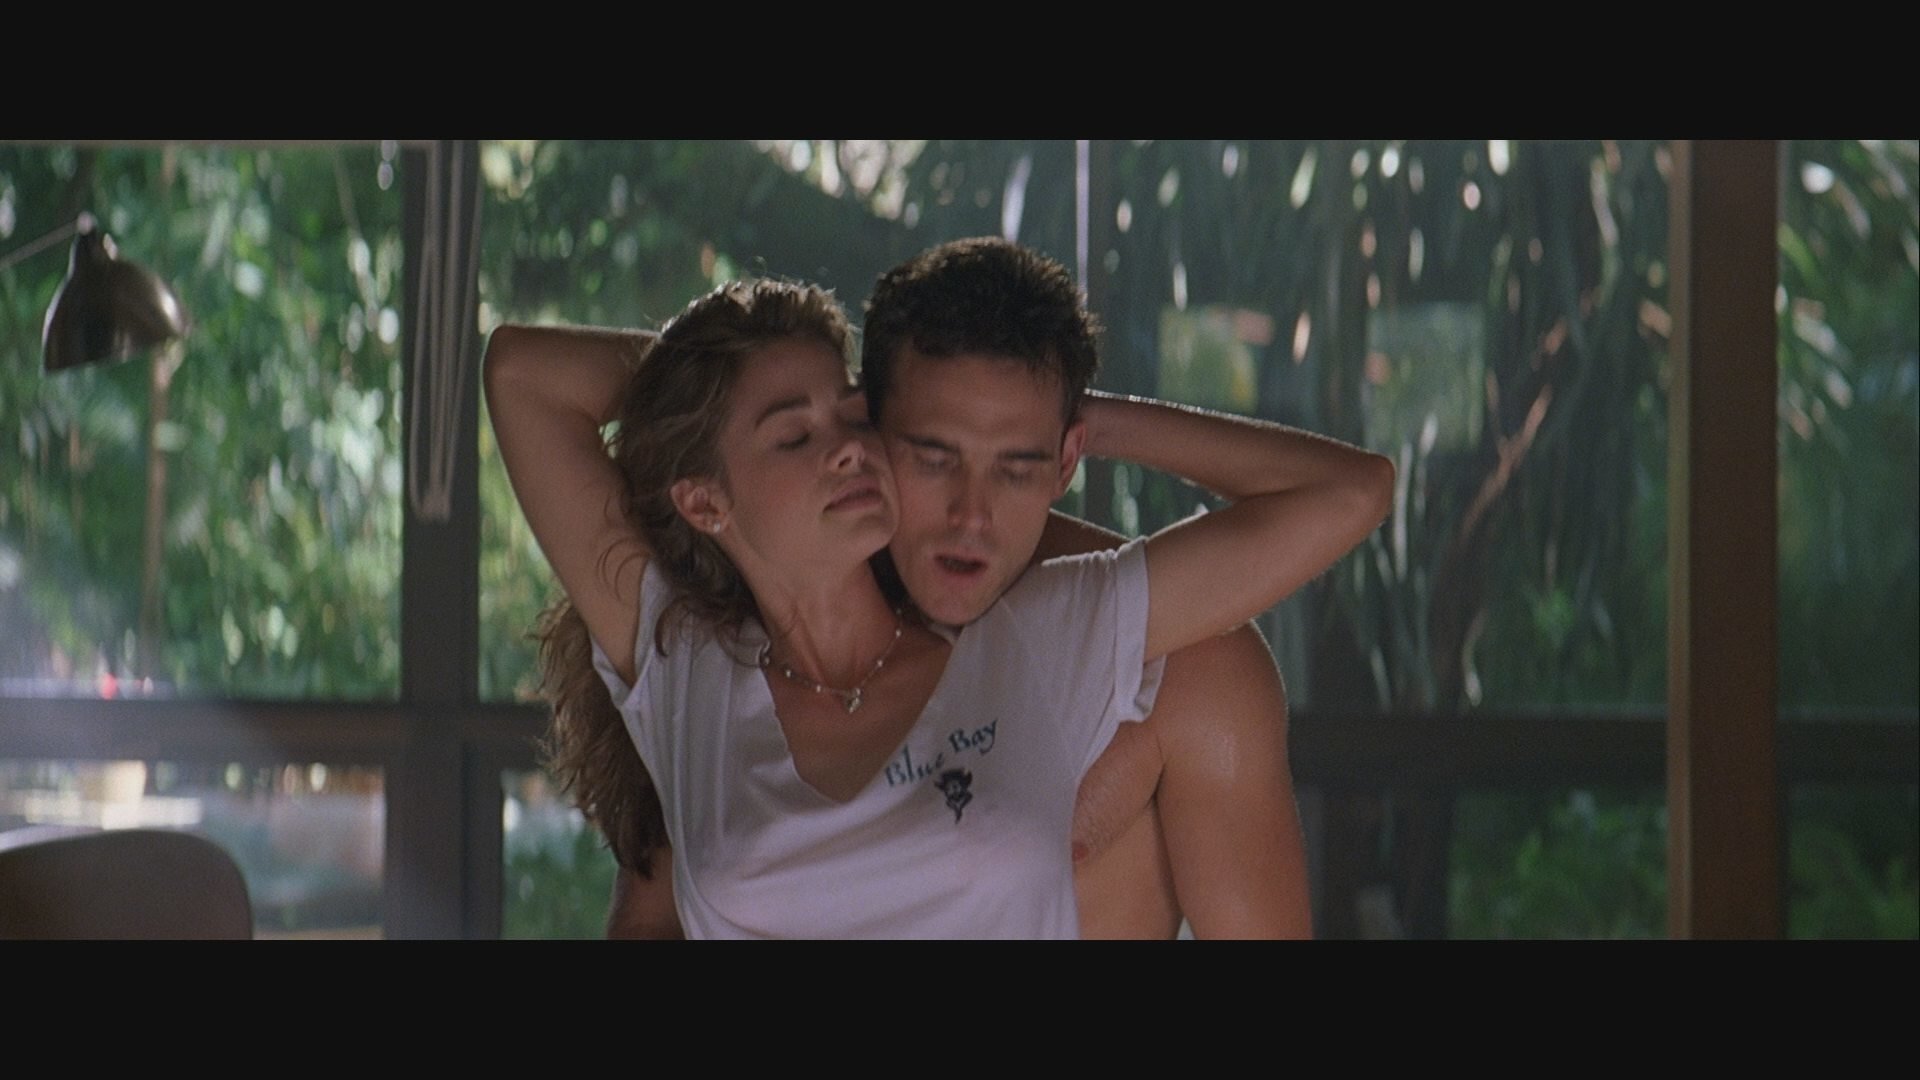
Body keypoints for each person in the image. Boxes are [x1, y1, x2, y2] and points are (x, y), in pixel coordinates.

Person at [487, 244, 1392, 938]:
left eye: (846, 419)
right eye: (797, 435)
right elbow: (521, 373)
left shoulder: (1047, 635)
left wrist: (1073, 418)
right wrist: (725, 389)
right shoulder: (683, 661)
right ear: (705, 499)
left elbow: (1350, 493)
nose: (971, 510)